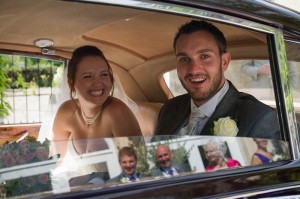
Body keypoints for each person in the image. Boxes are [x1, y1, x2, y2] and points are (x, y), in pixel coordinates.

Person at [155, 20, 281, 140]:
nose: (193, 70)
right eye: (184, 59)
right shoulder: (169, 109)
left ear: (224, 62)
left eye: (204, 56)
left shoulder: (259, 118)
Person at [50, 46, 142, 182]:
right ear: (71, 84)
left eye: (104, 74)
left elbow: (137, 172)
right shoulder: (66, 112)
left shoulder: (117, 113)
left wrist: (87, 183)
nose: (98, 82)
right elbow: (54, 160)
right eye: (88, 76)